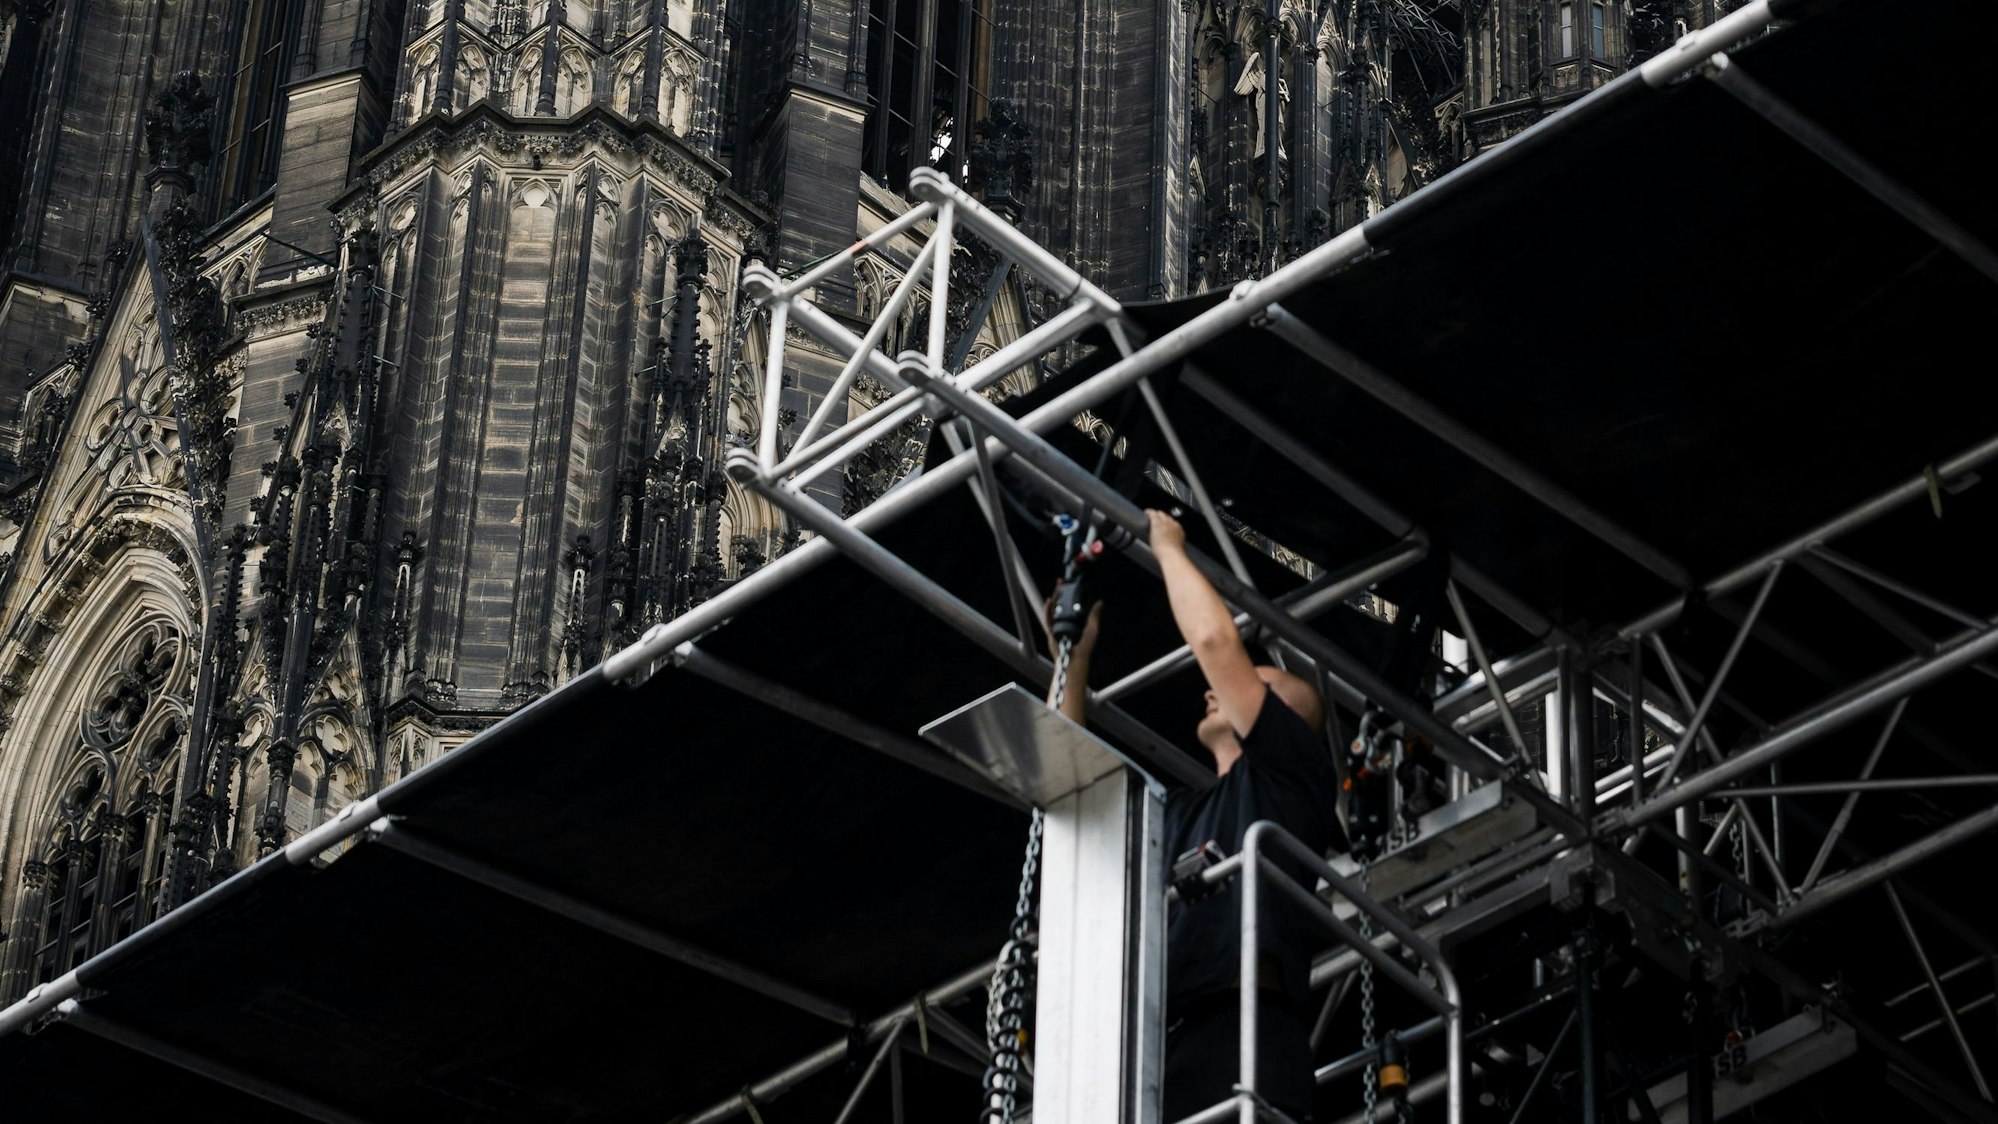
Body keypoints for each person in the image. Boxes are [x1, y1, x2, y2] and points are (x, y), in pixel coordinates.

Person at [1050, 509, 1342, 1122]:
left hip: (1245, 1031)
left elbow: (1214, 644)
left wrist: (1167, 544)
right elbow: (1075, 787)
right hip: (1160, 1038)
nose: (1213, 688)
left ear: (1286, 713)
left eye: (1254, 680)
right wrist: (1074, 657)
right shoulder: (1176, 812)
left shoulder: (1292, 776)